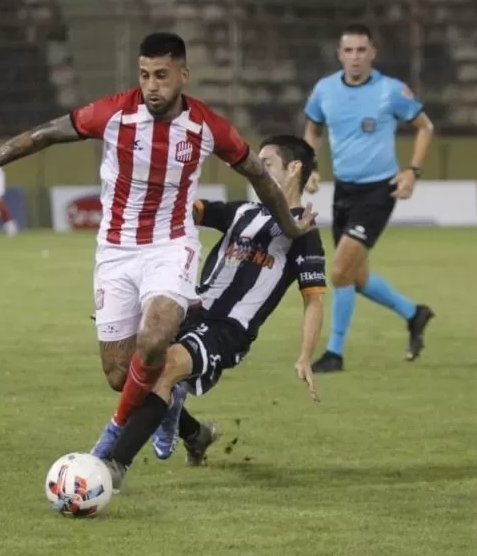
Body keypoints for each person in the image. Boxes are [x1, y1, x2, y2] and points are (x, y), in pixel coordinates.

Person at [0, 32, 316, 452]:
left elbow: (259, 177)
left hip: (172, 245)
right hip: (116, 250)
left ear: (183, 75)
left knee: (155, 339)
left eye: (162, 75)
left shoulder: (208, 127)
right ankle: (191, 430)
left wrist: (293, 228)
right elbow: (44, 134)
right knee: (121, 374)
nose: (151, 85)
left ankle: (111, 442)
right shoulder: (114, 113)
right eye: (145, 74)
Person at [98, 135, 326, 487]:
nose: (256, 170)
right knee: (133, 369)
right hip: (193, 308)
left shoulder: (302, 231)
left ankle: (113, 465)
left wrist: (305, 356)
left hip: (228, 329)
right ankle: (195, 433)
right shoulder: (242, 212)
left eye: (266, 164)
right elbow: (188, 210)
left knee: (167, 368)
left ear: (294, 169)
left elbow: (313, 298)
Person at [302, 24, 436, 373]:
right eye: (349, 51)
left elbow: (425, 126)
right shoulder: (325, 90)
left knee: (338, 271)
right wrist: (310, 165)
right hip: (344, 191)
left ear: (372, 53)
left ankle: (334, 352)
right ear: (339, 54)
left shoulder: (390, 91)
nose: (355, 57)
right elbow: (313, 128)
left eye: (362, 50)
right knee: (355, 278)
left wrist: (412, 171)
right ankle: (414, 313)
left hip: (379, 191)